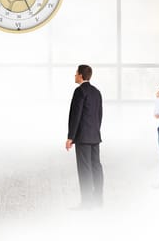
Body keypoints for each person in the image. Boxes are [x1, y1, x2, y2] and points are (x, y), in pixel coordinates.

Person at [66, 65, 104, 209]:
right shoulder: (97, 92)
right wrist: (95, 131)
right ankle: (98, 200)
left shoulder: (79, 91)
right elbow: (99, 115)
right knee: (96, 167)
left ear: (81, 75)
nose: (74, 76)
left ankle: (87, 203)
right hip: (95, 136)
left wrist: (70, 137)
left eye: (76, 73)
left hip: (82, 137)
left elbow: (75, 116)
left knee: (84, 169)